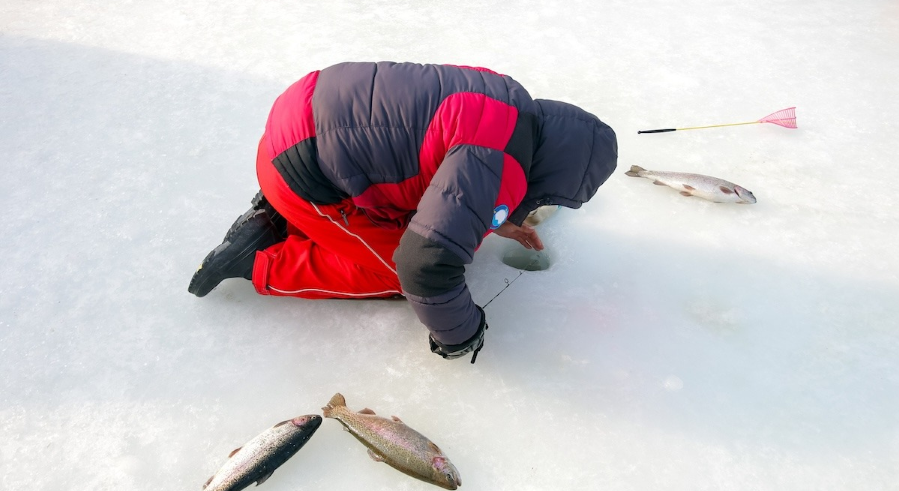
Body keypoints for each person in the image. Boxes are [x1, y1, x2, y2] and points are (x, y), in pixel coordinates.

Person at [188, 62, 617, 362]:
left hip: (298, 122)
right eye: (551, 196)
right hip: (298, 175)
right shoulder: (497, 164)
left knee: (412, 205)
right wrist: (461, 335)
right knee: (396, 275)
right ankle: (262, 260)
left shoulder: (506, 97)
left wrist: (496, 216)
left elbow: (443, 160)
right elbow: (424, 268)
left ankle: (281, 214)